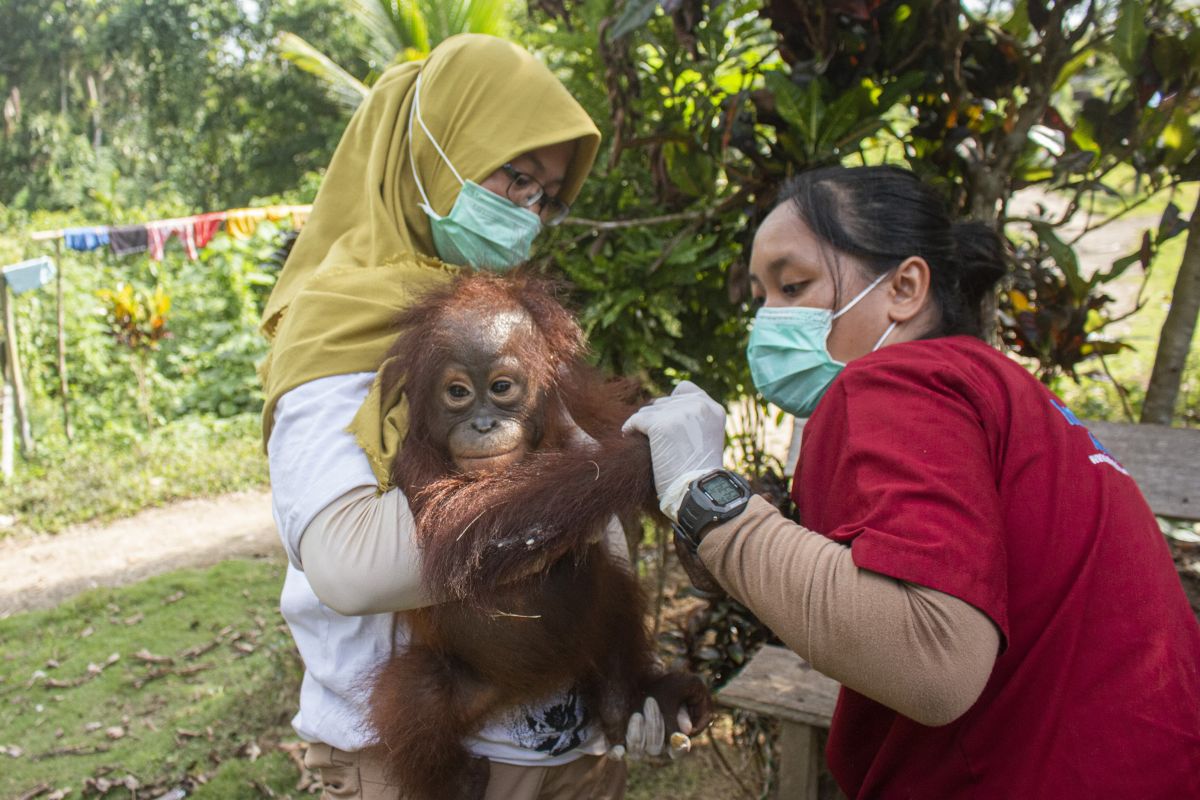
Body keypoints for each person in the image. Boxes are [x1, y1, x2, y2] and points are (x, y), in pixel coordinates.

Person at [625, 165, 1200, 799]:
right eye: (761, 296)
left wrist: (702, 495)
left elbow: (933, 658)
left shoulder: (891, 380)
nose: (768, 321)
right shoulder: (998, 386)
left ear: (904, 287)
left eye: (794, 286)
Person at [260, 34, 681, 800]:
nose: (528, 210)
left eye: (546, 196)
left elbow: (596, 524)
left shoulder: (507, 317)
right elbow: (352, 569)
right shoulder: (339, 323)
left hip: (567, 742)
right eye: (516, 176)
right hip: (414, 754)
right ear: (436, 146)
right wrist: (606, 479)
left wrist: (624, 673)